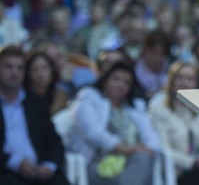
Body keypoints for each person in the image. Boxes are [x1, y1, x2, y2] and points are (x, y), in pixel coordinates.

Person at [65, 61, 162, 185]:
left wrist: (148, 148)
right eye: (116, 79)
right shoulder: (88, 97)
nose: (121, 85)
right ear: (105, 79)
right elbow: (93, 132)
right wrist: (124, 148)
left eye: (126, 83)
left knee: (144, 159)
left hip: (132, 161)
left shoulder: (135, 106)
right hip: (97, 161)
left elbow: (151, 136)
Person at [0, 45, 69, 185]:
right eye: (8, 67)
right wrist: (15, 163)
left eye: (20, 68)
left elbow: (55, 140)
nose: (14, 72)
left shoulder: (36, 103)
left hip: (40, 170)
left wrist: (50, 164)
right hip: (5, 170)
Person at [148, 61, 199, 185]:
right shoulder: (159, 109)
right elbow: (162, 149)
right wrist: (193, 162)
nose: (184, 82)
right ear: (171, 81)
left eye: (190, 79)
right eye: (179, 77)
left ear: (197, 83)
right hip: (176, 173)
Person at [24, 50, 68, 115]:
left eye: (44, 68)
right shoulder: (23, 98)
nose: (40, 74)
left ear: (51, 70)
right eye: (34, 69)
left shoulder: (61, 95)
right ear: (28, 74)